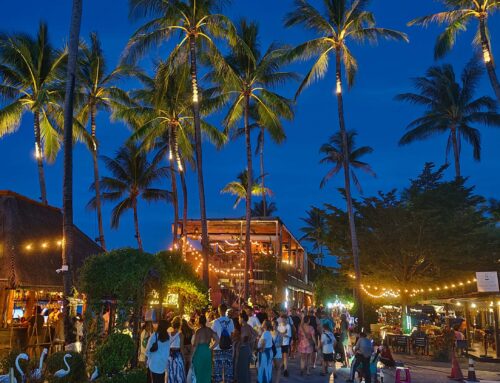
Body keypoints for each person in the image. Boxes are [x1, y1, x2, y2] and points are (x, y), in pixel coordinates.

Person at [211, 304, 235, 383]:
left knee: (217, 371)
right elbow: (232, 335)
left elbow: (213, 335)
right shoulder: (231, 321)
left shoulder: (215, 322)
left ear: (219, 310)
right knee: (228, 371)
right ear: (226, 310)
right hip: (228, 348)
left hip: (218, 348)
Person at [192, 314, 219, 383]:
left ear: (199, 322)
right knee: (207, 371)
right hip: (207, 351)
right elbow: (217, 339)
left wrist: (191, 356)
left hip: (199, 352)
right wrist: (211, 348)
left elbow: (195, 345)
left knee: (199, 372)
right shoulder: (209, 330)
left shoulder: (198, 331)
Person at [236, 311, 256, 383]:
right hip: (247, 348)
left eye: (239, 318)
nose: (238, 320)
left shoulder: (243, 327)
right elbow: (255, 335)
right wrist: (251, 342)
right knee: (245, 369)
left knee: (242, 368)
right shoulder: (248, 326)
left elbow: (254, 335)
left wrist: (248, 341)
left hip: (244, 349)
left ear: (242, 319)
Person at [168, 316, 186, 383]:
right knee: (179, 375)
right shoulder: (181, 335)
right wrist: (184, 359)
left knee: (171, 374)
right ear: (180, 325)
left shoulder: (168, 334)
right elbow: (182, 349)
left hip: (169, 356)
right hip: (177, 356)